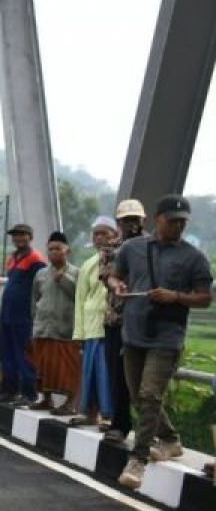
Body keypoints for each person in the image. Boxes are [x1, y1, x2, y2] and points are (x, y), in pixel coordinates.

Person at [113, 195, 212, 489]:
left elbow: (205, 297)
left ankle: (138, 460)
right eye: (173, 221)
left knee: (150, 394)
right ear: (157, 219)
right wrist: (116, 285)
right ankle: (170, 439)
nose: (178, 226)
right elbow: (116, 276)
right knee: (138, 396)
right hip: (134, 332)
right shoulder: (132, 248)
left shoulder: (194, 257)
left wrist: (176, 297)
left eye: (183, 222)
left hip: (167, 337)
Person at [101, 200, 147, 443]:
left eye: (135, 219)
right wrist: (117, 283)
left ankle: (150, 429)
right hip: (116, 318)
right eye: (126, 220)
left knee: (144, 378)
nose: (131, 224)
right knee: (117, 373)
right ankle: (120, 423)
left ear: (143, 220)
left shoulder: (153, 245)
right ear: (119, 222)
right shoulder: (111, 248)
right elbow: (106, 276)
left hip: (143, 319)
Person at [72, 217, 119, 424]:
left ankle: (107, 415)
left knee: (106, 373)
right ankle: (89, 413)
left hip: (109, 324)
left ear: (115, 236)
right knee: (90, 373)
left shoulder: (120, 260)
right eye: (96, 234)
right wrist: (78, 333)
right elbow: (80, 299)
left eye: (104, 233)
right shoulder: (88, 264)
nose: (99, 238)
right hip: (90, 326)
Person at [28, 231, 79, 411]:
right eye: (50, 249)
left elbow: (79, 296)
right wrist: (35, 321)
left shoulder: (76, 273)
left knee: (68, 368)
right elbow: (35, 299)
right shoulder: (41, 274)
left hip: (65, 329)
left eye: (58, 249)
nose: (54, 252)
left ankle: (70, 402)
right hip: (43, 327)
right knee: (42, 366)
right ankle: (45, 398)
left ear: (68, 251)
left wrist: (62, 279)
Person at [0, 223, 47, 405]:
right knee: (7, 352)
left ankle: (28, 392)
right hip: (8, 313)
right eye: (15, 235)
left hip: (24, 314)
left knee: (23, 354)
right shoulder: (12, 258)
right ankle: (9, 389)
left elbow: (41, 287)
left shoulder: (36, 259)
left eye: (22, 235)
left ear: (30, 237)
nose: (18, 238)